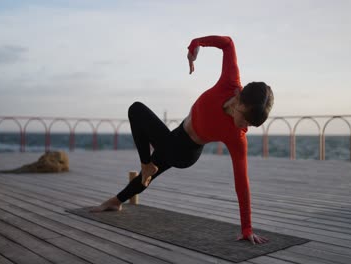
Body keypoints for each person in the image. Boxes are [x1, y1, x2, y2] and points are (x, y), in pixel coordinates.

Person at [91, 35, 274, 245]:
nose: (244, 127)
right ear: (239, 97)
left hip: (185, 151)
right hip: (176, 137)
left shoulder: (237, 137)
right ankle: (116, 201)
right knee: (148, 175)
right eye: (245, 119)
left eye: (250, 125)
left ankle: (145, 164)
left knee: (136, 110)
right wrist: (195, 45)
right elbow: (228, 43)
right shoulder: (230, 81)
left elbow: (242, 183)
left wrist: (247, 227)